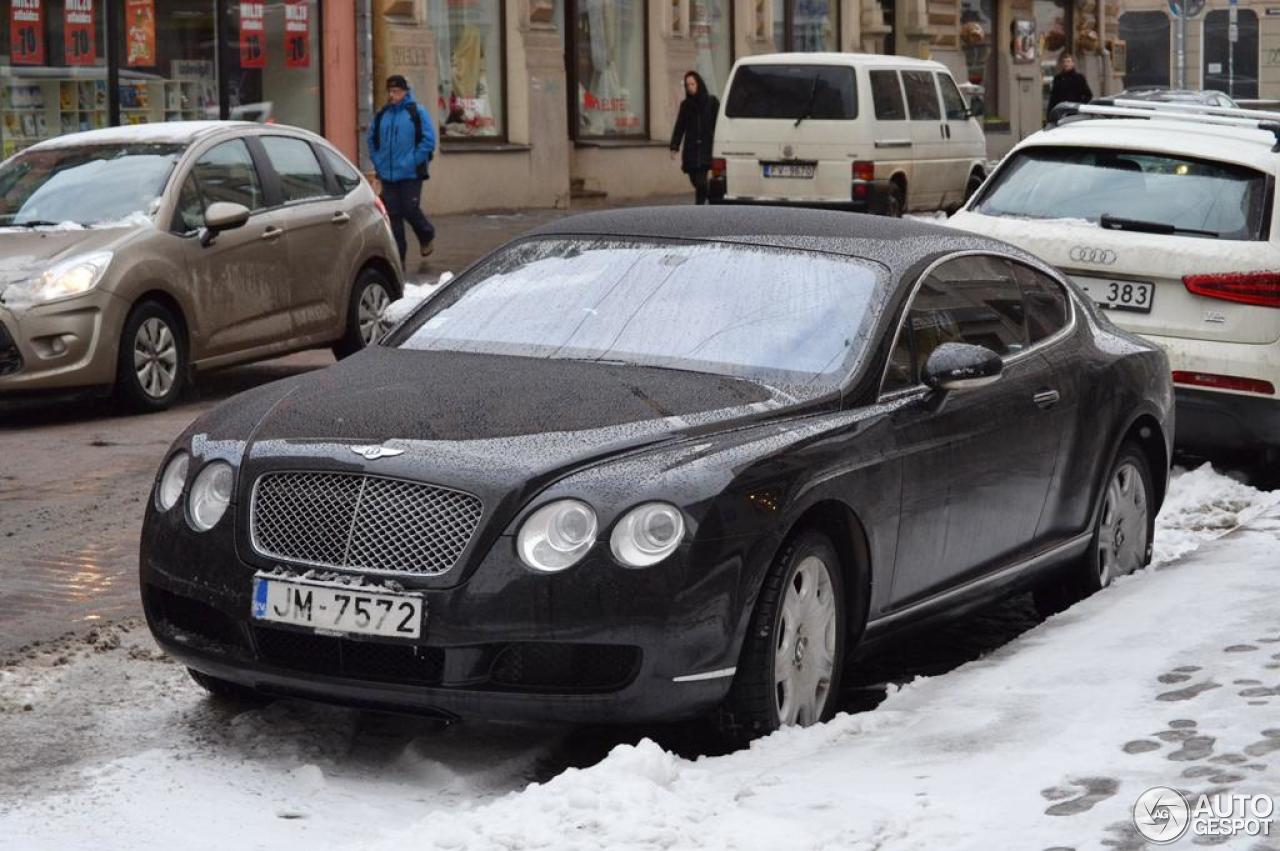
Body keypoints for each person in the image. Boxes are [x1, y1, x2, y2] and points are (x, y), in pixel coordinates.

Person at [368, 74, 437, 263]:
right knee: (393, 216)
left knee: (410, 208)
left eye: (397, 91)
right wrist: (378, 161)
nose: (393, 94)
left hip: (410, 173)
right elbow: (371, 139)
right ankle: (399, 259)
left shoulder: (416, 112)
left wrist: (412, 161)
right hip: (388, 174)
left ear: (405, 91)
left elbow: (428, 140)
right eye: (390, 91)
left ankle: (426, 234)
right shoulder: (383, 114)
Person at [669, 71, 719, 205]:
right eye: (687, 85)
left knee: (701, 182)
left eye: (692, 84)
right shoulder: (686, 105)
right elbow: (680, 127)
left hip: (705, 148)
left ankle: (699, 210)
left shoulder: (711, 102)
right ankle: (715, 198)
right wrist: (674, 146)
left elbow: (719, 124)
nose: (690, 87)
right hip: (691, 149)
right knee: (694, 180)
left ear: (698, 84)